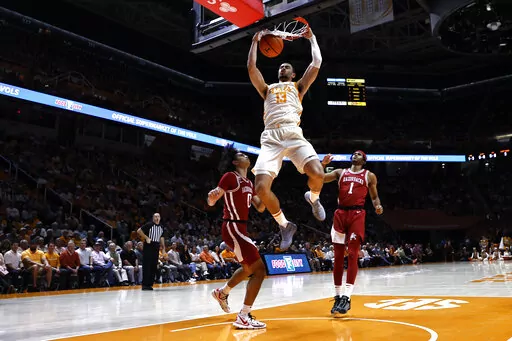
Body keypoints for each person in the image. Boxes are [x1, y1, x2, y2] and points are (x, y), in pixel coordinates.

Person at [247, 26, 325, 250]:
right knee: (260, 189)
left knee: (318, 173)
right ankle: (284, 225)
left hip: (293, 132)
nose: (282, 67)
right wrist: (255, 41)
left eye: (287, 66)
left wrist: (313, 38)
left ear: (292, 74)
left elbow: (316, 64)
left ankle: (313, 196)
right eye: (281, 65)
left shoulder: (298, 86)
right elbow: (252, 67)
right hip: (271, 136)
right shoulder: (267, 89)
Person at [207, 144, 267, 329]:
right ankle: (243, 315)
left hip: (241, 228)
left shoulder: (249, 183)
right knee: (259, 270)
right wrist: (212, 197)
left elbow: (261, 207)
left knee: (248, 269)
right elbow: (212, 200)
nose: (246, 156)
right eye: (242, 155)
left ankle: (222, 292)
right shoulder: (230, 177)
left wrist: (265, 190)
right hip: (233, 226)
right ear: (235, 161)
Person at [322, 151, 383, 317]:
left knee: (353, 254)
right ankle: (337, 296)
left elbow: (375, 197)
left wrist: (378, 206)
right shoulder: (340, 172)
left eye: (359, 154)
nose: (355, 155)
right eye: (354, 153)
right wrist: (323, 164)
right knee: (338, 257)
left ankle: (347, 297)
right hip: (340, 214)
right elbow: (319, 178)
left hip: (357, 215)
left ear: (364, 160)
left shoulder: (369, 176)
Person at [137, 213, 165, 290]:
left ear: (160, 218)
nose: (157, 218)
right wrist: (146, 237)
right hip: (149, 246)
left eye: (158, 216)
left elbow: (162, 237)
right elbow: (139, 231)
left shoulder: (161, 227)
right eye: (155, 216)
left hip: (156, 246)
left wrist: (163, 249)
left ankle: (150, 284)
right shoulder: (149, 224)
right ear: (153, 218)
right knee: (147, 265)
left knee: (154, 265)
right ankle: (145, 284)